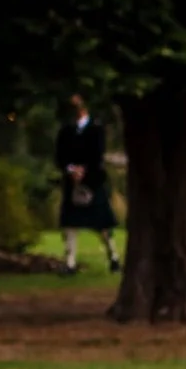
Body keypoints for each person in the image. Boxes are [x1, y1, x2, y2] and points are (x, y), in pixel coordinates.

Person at [53, 94, 118, 274]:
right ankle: (70, 262)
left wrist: (84, 172)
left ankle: (113, 256)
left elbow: (98, 155)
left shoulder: (96, 129)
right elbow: (59, 156)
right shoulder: (66, 130)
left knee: (102, 225)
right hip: (72, 183)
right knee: (70, 224)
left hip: (92, 182)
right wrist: (70, 169)